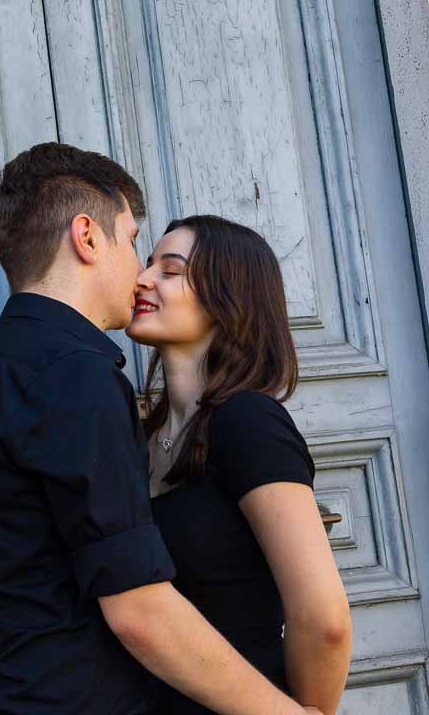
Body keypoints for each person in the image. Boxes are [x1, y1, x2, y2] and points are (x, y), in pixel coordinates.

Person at [0, 143, 319, 715]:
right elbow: (137, 609)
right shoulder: (80, 378)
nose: (139, 271)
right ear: (87, 237)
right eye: (132, 240)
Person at [126, 215, 353, 715]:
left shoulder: (248, 422)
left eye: (170, 270)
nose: (140, 279)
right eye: (146, 265)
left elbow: (325, 621)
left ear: (226, 296)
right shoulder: (139, 437)